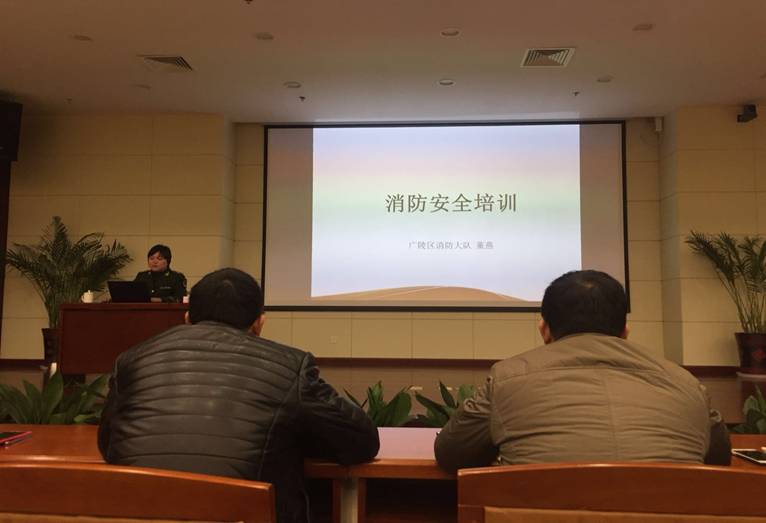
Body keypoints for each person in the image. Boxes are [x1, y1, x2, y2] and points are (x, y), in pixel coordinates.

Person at [99, 268, 380, 523]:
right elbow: (361, 441)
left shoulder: (132, 360)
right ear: (259, 323)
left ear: (187, 319)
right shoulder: (290, 365)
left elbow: (108, 441)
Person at [435, 270, 731, 473]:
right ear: (625, 331)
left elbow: (451, 453)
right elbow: (718, 458)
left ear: (544, 329)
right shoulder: (685, 382)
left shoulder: (508, 378)